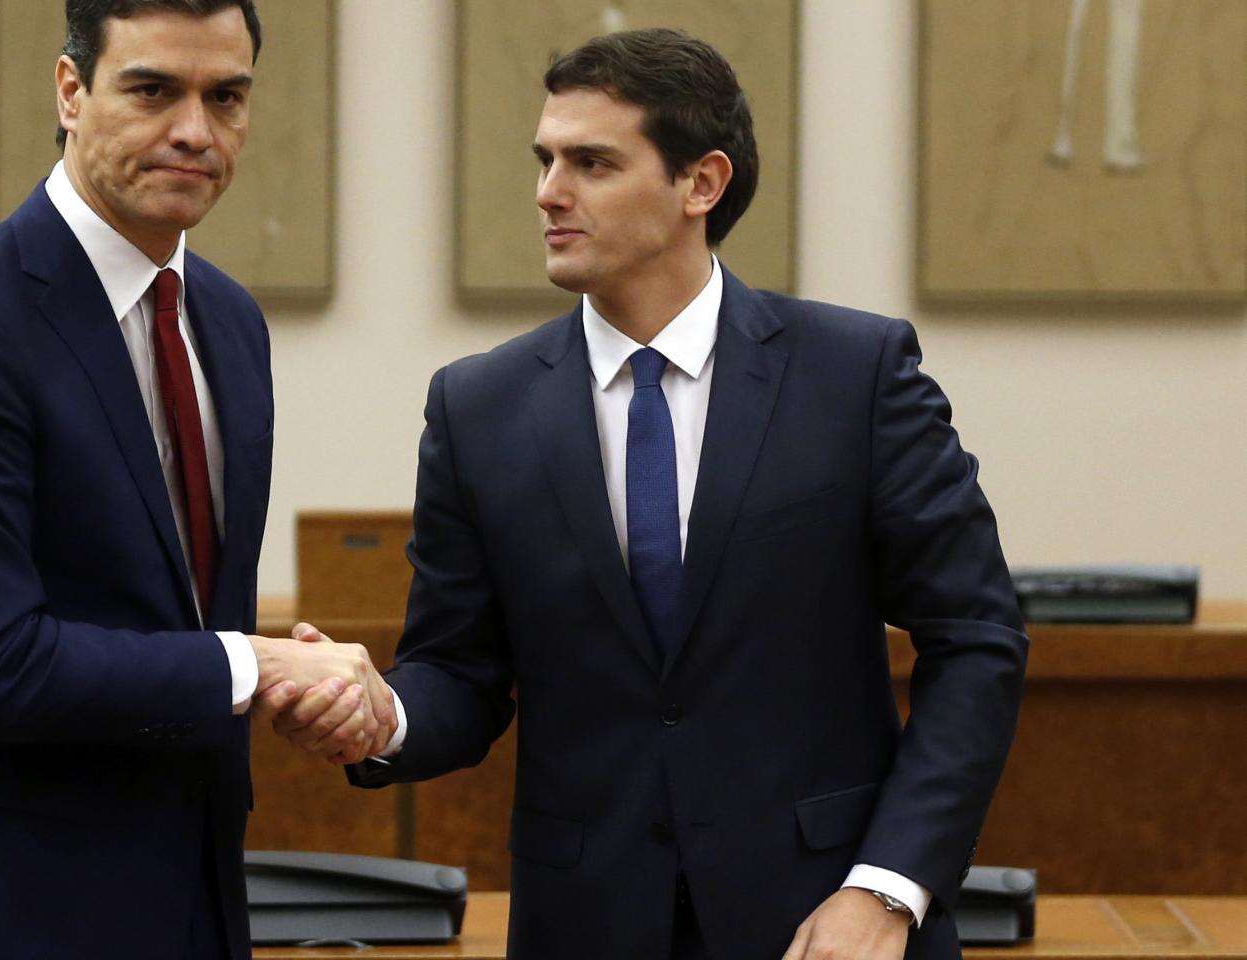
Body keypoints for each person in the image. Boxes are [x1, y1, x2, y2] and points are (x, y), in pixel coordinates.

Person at [261, 28, 1028, 960]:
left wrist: (888, 888)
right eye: (545, 159)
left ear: (701, 184)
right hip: (587, 921)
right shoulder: (478, 407)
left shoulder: (855, 376)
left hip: (831, 920)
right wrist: (380, 715)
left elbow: (977, 638)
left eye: (591, 162)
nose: (549, 191)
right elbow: (460, 673)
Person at [0, 2, 392, 958]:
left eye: (226, 97)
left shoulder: (229, 321)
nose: (194, 130)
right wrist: (257, 665)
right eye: (152, 90)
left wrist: (302, 690)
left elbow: (182, 617)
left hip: (200, 901)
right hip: (6, 915)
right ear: (71, 91)